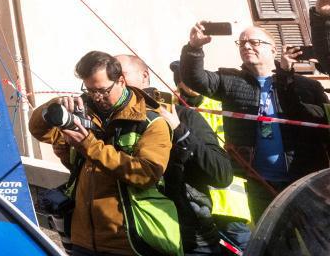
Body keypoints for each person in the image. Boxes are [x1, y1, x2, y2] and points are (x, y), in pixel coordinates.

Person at [30, 51, 179, 256]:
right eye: (89, 90)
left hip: (129, 240)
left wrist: (89, 145)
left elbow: (146, 173)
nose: (96, 97)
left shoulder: (151, 122)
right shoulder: (84, 112)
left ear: (121, 81)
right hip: (83, 240)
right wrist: (53, 106)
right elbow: (39, 131)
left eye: (102, 90)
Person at [179, 22, 330, 221]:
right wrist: (194, 48)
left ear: (273, 49)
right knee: (271, 242)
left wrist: (286, 76)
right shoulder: (230, 80)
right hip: (259, 181)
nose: (246, 47)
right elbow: (194, 79)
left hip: (303, 178)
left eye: (254, 42)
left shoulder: (306, 86)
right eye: (241, 43)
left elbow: (317, 127)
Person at [116, 54, 234, 255]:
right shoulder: (110, 122)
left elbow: (222, 174)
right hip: (133, 237)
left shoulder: (182, 115)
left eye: (121, 74)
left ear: (144, 76)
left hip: (188, 235)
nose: (115, 80)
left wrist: (180, 132)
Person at [166, 60, 253, 251]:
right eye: (185, 81)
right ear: (179, 84)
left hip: (227, 199)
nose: (191, 85)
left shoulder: (220, 106)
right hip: (193, 200)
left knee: (245, 246)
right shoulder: (170, 109)